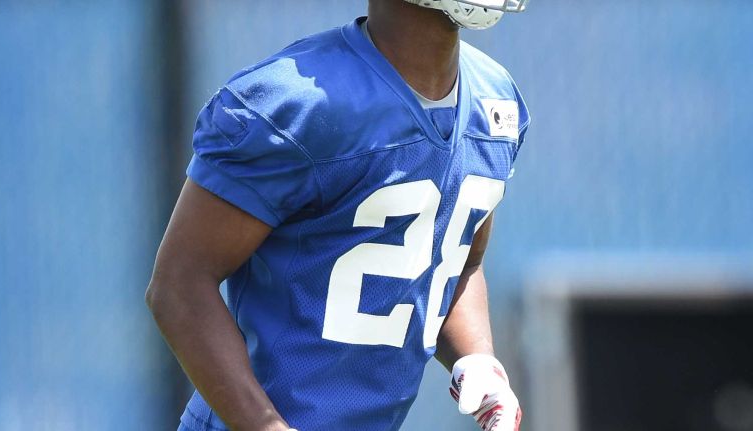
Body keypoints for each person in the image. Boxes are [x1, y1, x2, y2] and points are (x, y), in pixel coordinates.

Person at [146, 0, 531, 430]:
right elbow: (179, 284)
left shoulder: (494, 98)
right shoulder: (297, 102)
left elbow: (458, 260)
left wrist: (477, 359)